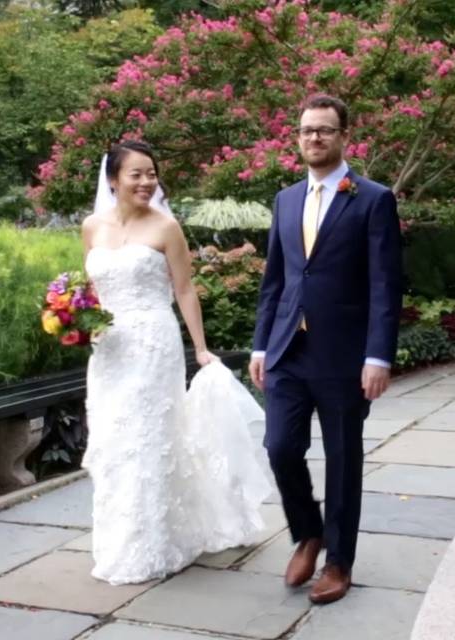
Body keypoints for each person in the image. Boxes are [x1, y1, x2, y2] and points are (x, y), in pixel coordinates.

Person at [82, 140, 271, 585]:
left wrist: (201, 348)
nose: (147, 182)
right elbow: (89, 287)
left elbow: (185, 290)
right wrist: (77, 319)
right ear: (113, 180)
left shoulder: (166, 228)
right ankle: (118, 539)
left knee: (147, 437)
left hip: (152, 344)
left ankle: (154, 541)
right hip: (108, 349)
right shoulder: (91, 227)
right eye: (137, 174)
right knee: (113, 439)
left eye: (152, 174)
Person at [249, 94, 402, 604]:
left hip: (342, 354)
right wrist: (259, 345)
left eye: (325, 130)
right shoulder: (285, 199)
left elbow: (386, 284)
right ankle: (308, 531)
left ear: (343, 137)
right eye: (307, 130)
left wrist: (377, 356)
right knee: (279, 447)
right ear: (298, 137)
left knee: (343, 459)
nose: (314, 138)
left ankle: (338, 561)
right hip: (287, 348)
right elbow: (275, 280)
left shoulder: (372, 198)